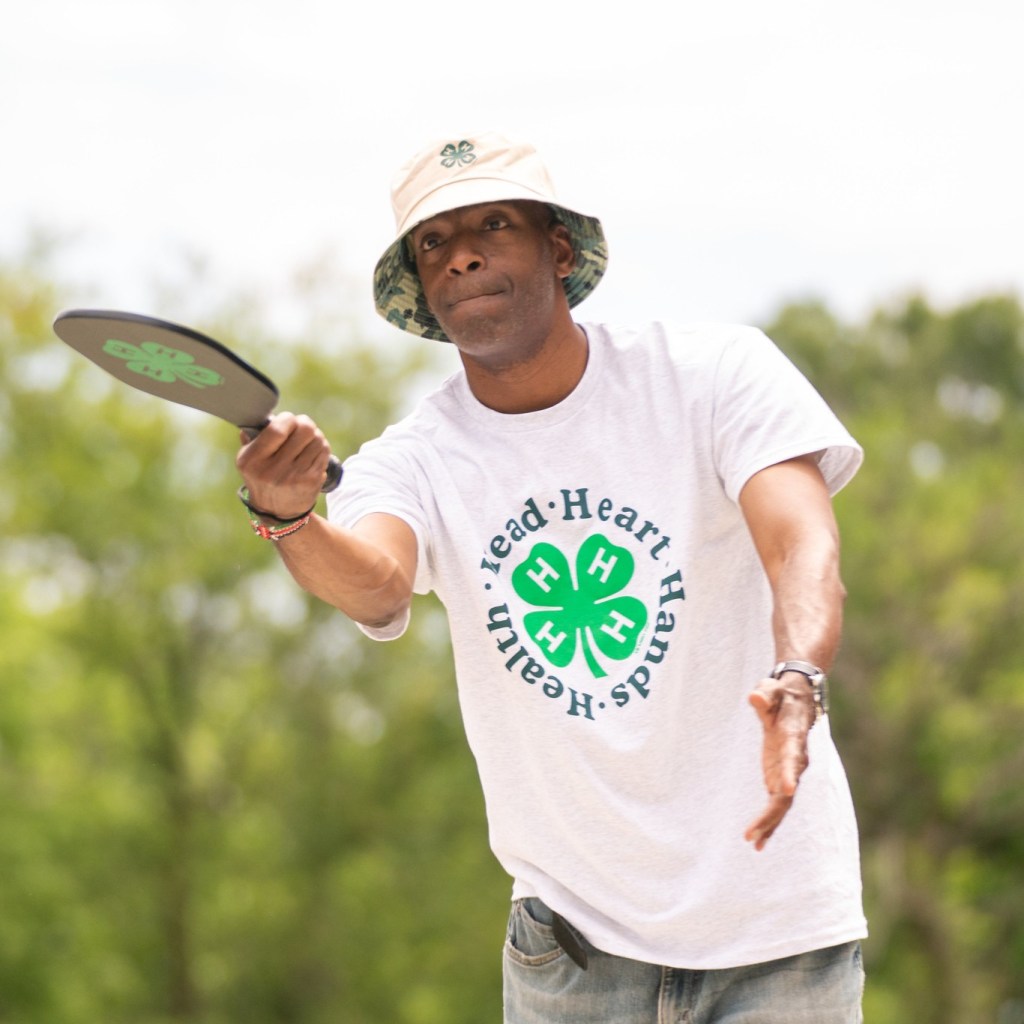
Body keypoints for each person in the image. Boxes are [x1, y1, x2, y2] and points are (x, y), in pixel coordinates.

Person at [236, 131, 868, 1022]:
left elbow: (802, 545)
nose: (462, 254)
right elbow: (375, 583)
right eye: (434, 243)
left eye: (493, 223)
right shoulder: (412, 462)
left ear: (559, 250)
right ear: (421, 288)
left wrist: (799, 674)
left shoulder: (715, 375)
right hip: (570, 949)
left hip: (778, 936)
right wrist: (290, 515)